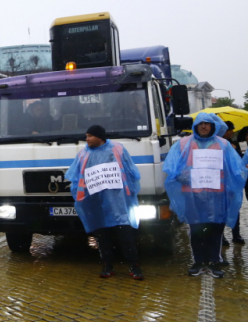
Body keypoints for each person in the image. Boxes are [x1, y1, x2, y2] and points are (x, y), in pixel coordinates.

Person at [164, 113, 247, 278]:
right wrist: (185, 177)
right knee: (196, 229)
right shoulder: (182, 144)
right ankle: (199, 261)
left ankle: (214, 262)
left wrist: (232, 187)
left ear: (213, 126)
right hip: (192, 195)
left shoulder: (224, 145)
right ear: (195, 125)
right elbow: (171, 167)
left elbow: (235, 168)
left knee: (215, 230)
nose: (203, 126)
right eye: (200, 123)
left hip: (217, 195)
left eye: (207, 123)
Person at [65, 125, 144, 280]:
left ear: (99, 137)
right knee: (103, 238)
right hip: (98, 203)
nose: (86, 139)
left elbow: (130, 171)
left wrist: (131, 193)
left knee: (126, 236)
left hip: (119, 202)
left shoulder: (118, 149)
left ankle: (134, 266)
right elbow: (75, 177)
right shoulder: (83, 154)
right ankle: (108, 266)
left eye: (89, 136)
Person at [220, 121, 245, 245]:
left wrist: (236, 150)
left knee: (235, 207)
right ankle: (222, 237)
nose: (232, 132)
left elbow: (241, 159)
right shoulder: (217, 144)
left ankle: (236, 235)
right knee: (221, 209)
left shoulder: (235, 143)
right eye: (231, 130)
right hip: (221, 181)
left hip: (233, 181)